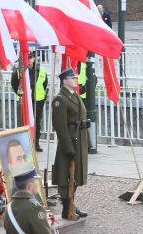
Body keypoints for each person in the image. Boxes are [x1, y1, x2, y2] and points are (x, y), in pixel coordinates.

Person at [51, 67, 88, 220]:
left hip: (80, 142)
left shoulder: (75, 96)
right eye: (72, 78)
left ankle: (71, 203)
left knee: (77, 175)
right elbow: (60, 126)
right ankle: (67, 207)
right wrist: (68, 147)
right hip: (70, 143)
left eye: (75, 77)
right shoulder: (60, 99)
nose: (75, 79)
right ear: (64, 81)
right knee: (65, 176)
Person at [10, 51, 49, 151]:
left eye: (31, 57)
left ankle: (36, 144)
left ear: (34, 58)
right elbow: (14, 84)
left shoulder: (42, 70)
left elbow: (45, 84)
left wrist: (41, 95)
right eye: (27, 57)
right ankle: (23, 144)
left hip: (38, 100)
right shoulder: (19, 70)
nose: (29, 59)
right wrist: (20, 94)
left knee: (36, 122)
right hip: (25, 101)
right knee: (23, 122)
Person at [3, 164, 50, 234]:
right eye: (36, 180)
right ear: (29, 186)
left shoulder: (8, 207)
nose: (37, 183)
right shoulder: (36, 209)